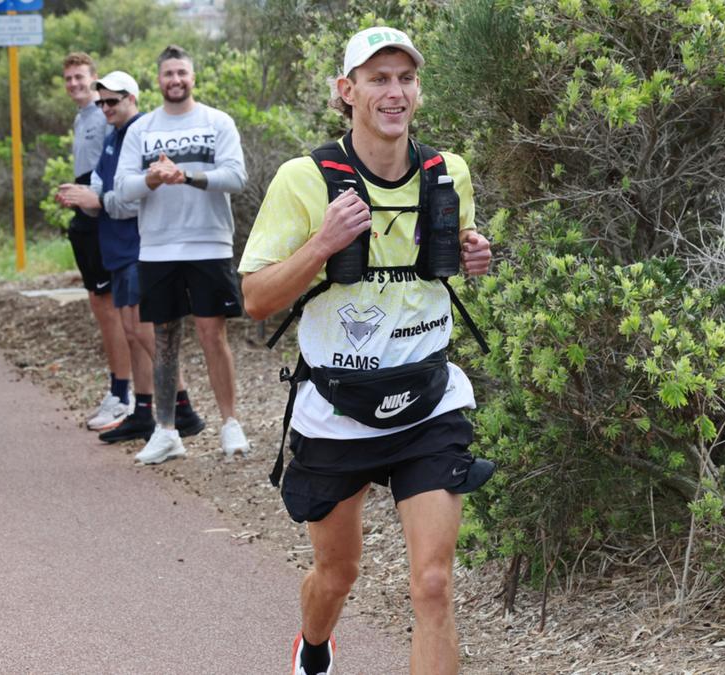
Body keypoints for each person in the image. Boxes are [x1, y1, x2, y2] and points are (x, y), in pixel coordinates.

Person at [240, 27, 494, 675]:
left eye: (405, 78)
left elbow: (454, 249)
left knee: (433, 583)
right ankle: (314, 647)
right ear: (345, 91)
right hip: (336, 407)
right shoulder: (303, 180)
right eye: (378, 78)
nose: (394, 91)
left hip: (428, 402)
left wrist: (475, 254)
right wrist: (321, 244)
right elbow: (255, 299)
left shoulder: (448, 172)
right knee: (337, 572)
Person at [114, 45, 250, 464]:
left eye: (182, 73)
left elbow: (236, 177)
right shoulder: (142, 129)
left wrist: (187, 174)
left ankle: (230, 424)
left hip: (209, 243)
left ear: (193, 77)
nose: (175, 80)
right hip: (158, 247)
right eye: (168, 74)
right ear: (158, 80)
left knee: (212, 334)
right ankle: (166, 430)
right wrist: (152, 180)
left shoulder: (216, 122)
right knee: (165, 338)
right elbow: (122, 190)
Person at [55, 71, 204, 446]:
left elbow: (136, 195)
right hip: (116, 249)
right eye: (101, 101)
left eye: (113, 101)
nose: (105, 108)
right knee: (131, 332)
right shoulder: (113, 138)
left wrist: (98, 201)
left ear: (132, 99)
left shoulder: (141, 135)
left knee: (145, 330)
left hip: (141, 246)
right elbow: (106, 190)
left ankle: (183, 407)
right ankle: (142, 410)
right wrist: (82, 196)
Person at [61, 52, 134, 432]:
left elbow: (115, 168)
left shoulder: (105, 117)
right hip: (87, 216)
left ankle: (125, 393)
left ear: (94, 79)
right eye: (69, 78)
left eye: (81, 78)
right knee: (100, 303)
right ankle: (120, 388)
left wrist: (91, 193)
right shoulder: (82, 117)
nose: (75, 84)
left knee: (114, 308)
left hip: (107, 218)